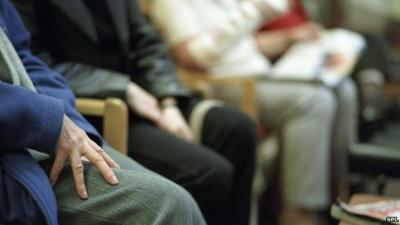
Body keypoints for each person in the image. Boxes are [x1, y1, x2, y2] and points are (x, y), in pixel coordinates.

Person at [12, 0, 258, 225]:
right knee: (209, 173)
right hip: (100, 106)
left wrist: (168, 101)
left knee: (238, 128)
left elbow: (148, 43)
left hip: (148, 95)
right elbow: (36, 63)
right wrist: (123, 88)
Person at [145, 0, 358, 224]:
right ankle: (300, 213)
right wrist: (253, 11)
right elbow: (195, 57)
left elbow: (244, 46)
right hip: (224, 83)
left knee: (343, 88)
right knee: (314, 100)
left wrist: (292, 38)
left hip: (259, 75)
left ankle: (340, 197)